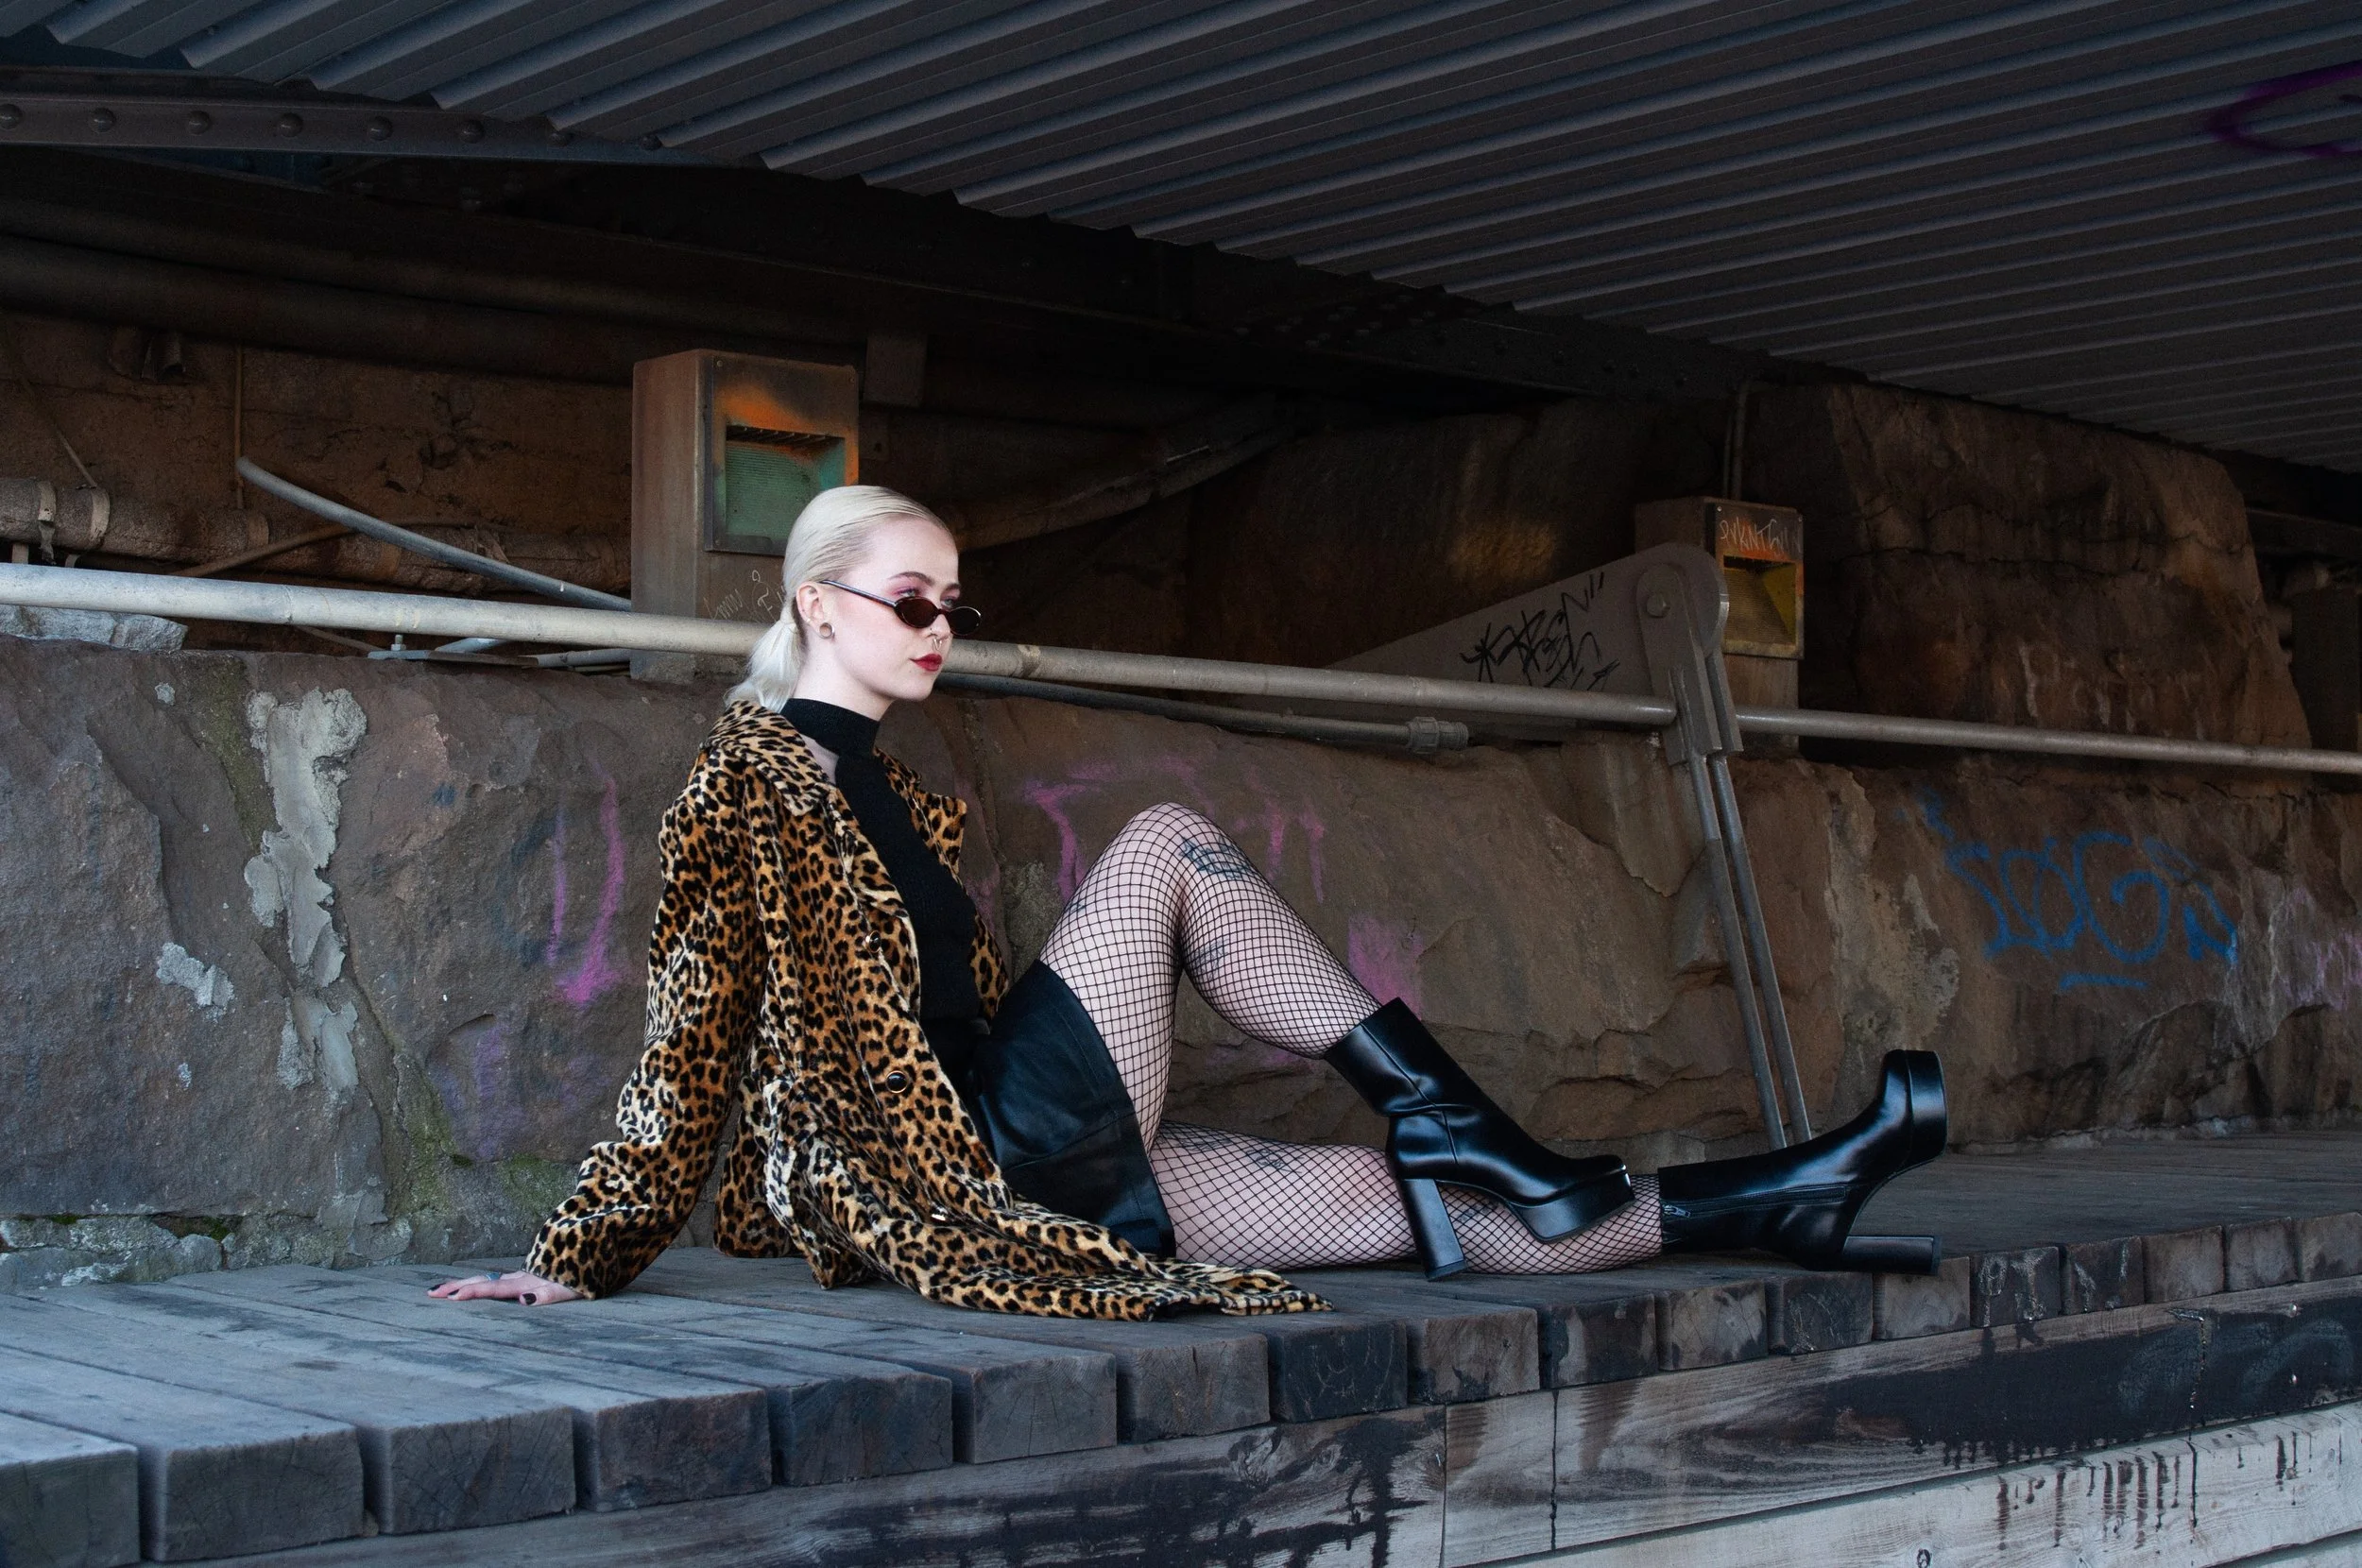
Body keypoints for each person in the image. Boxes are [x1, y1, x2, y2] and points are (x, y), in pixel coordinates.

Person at [433, 486, 1944, 1320]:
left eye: (956, 602)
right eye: (912, 601)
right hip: (956, 1165)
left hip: (1024, 1144)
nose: (941, 626)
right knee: (1159, 843)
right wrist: (575, 1257)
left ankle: (1774, 1199)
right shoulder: (744, 784)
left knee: (1393, 1205)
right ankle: (1489, 1128)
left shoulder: (892, 791)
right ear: (819, 602)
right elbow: (689, 1045)